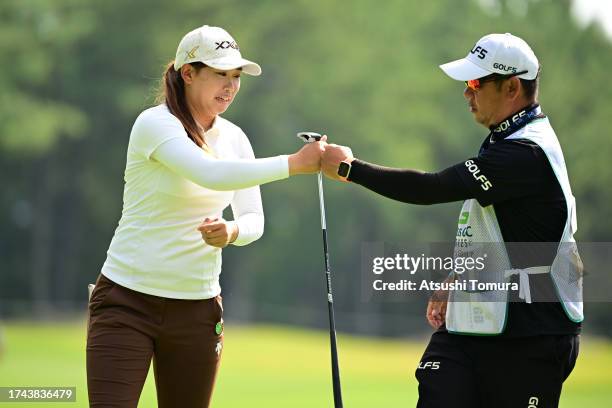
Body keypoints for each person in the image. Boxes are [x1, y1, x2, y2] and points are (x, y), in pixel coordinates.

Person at [320, 33, 582, 408]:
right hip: (476, 324)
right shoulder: (505, 139)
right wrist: (459, 277)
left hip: (532, 333)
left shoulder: (527, 152)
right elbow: (506, 232)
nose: (466, 92)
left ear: (511, 87)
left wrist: (349, 168)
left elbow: (431, 188)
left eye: (476, 83)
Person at [86, 25, 325, 408]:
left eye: (236, 77)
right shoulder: (155, 124)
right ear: (188, 73)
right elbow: (208, 172)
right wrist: (294, 164)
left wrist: (231, 231)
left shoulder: (235, 137)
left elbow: (253, 219)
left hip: (198, 310)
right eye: (220, 74)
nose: (230, 86)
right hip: (127, 301)